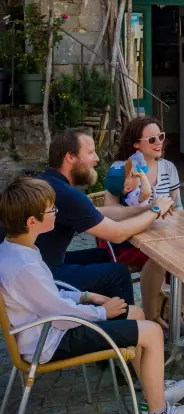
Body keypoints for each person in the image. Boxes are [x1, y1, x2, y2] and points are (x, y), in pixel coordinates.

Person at [0, 176, 184, 414]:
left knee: (137, 313)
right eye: (52, 210)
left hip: (50, 328)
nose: (56, 213)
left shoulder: (15, 249)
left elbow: (46, 294)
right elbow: (61, 316)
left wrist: (88, 296)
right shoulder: (24, 265)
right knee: (152, 332)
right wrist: (102, 312)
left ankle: (152, 391)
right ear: (32, 222)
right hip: (51, 340)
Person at [36, 129, 174, 305]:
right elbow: (117, 234)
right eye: (91, 152)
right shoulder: (65, 193)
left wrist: (144, 208)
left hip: (36, 267)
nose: (97, 158)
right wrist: (155, 210)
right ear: (70, 157)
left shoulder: (49, 182)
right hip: (43, 277)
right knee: (117, 273)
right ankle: (127, 327)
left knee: (104, 256)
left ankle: (104, 316)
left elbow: (95, 212)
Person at [104, 117, 184, 329]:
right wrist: (147, 210)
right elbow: (110, 212)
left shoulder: (169, 168)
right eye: (152, 139)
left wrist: (179, 222)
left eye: (161, 137)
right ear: (136, 144)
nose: (159, 142)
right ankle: (150, 316)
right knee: (160, 258)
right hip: (130, 239)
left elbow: (178, 205)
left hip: (165, 235)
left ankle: (175, 311)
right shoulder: (120, 169)